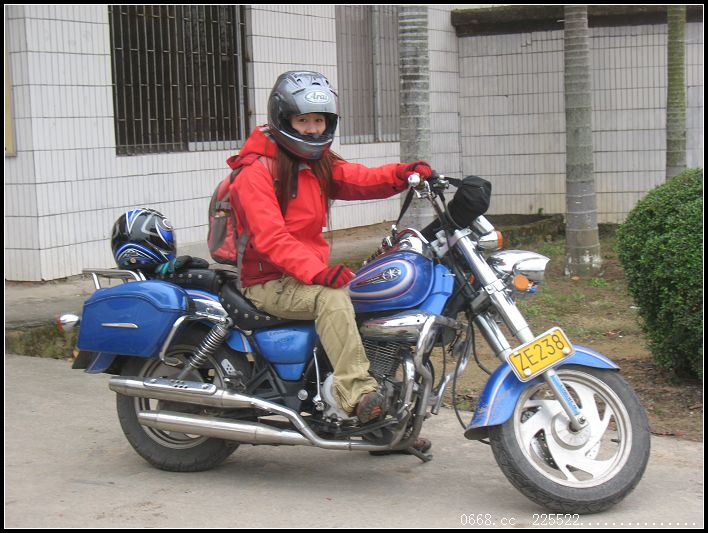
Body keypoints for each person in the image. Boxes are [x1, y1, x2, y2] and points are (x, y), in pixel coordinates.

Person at [228, 71, 432, 451]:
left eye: (318, 121)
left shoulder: (317, 162)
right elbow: (270, 237)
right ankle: (357, 396)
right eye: (302, 120)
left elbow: (357, 178)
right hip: (269, 281)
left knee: (373, 295)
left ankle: (386, 419)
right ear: (284, 119)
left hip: (304, 274)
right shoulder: (255, 171)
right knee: (333, 298)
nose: (311, 129)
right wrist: (318, 273)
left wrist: (402, 174)